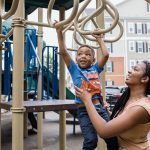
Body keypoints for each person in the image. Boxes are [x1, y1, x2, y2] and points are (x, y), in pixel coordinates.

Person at [54, 22, 118, 150]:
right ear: (76, 58)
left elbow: (105, 55)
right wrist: (59, 32)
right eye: (80, 54)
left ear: (93, 60)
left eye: (88, 54)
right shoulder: (74, 69)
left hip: (99, 108)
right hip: (84, 111)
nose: (83, 56)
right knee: (91, 140)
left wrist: (100, 39)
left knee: (112, 138)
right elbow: (63, 52)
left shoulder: (96, 68)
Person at [75, 60, 150, 150]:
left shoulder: (141, 108)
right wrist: (106, 111)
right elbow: (121, 122)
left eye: (135, 69)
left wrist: (87, 101)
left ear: (144, 78)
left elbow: (104, 131)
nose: (130, 71)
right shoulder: (128, 99)